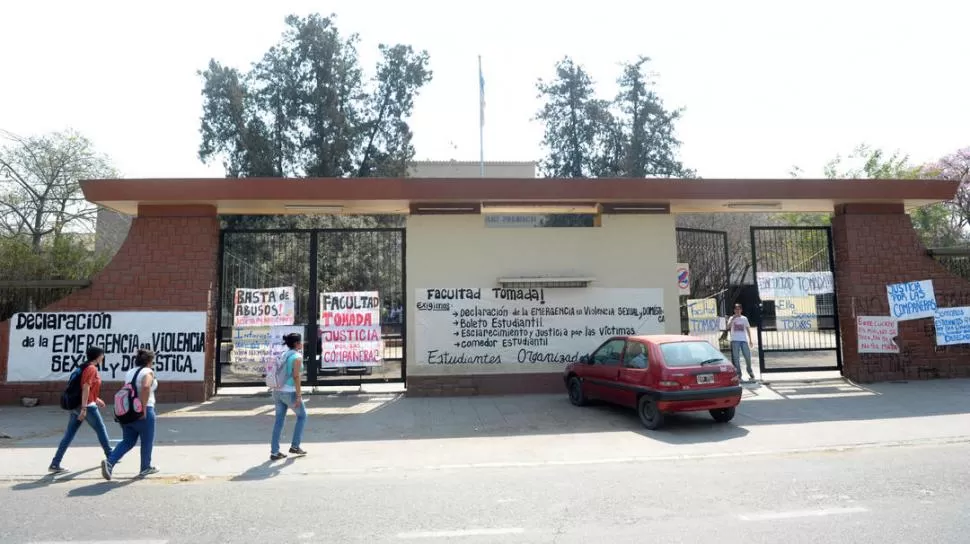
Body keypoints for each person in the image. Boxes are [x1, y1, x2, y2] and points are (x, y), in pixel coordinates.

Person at [49, 346, 113, 474]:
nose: (103, 357)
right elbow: (85, 387)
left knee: (69, 434)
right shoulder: (92, 368)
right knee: (101, 429)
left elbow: (84, 388)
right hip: (86, 406)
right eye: (102, 355)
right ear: (98, 356)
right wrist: (84, 407)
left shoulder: (82, 366)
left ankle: (55, 463)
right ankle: (112, 457)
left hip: (77, 405)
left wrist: (96, 398)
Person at [101, 349, 158, 479]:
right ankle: (145, 467)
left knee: (128, 441)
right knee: (147, 440)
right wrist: (143, 408)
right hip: (144, 410)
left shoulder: (130, 373)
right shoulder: (148, 372)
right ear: (149, 361)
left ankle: (110, 462)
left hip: (128, 412)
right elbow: (145, 387)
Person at [270, 332, 307, 461]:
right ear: (297, 344)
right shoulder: (297, 357)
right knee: (302, 416)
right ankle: (295, 446)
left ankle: (274, 452)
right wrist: (298, 395)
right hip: (289, 392)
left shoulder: (285, 354)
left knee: (279, 421)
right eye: (301, 341)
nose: (302, 343)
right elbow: (296, 376)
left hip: (278, 391)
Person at [727, 303, 756, 382]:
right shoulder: (731, 318)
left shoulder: (744, 318)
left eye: (739, 309)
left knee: (747, 356)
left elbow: (747, 329)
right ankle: (739, 374)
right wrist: (733, 319)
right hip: (734, 340)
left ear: (741, 310)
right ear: (734, 310)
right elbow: (728, 327)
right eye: (736, 309)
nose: (737, 311)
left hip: (743, 340)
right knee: (736, 358)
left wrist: (750, 340)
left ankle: (749, 370)